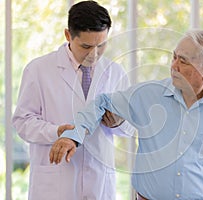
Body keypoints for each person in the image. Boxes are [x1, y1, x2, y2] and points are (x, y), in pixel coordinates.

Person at [49, 29, 203, 200]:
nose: (173, 66)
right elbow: (102, 102)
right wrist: (73, 135)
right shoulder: (148, 95)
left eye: (184, 61)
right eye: (174, 57)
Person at [12, 1, 135, 200]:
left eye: (101, 45)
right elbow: (22, 122)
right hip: (56, 183)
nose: (94, 54)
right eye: (86, 46)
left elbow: (131, 126)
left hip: (99, 181)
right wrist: (57, 131)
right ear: (68, 35)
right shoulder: (38, 70)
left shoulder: (115, 72)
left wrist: (119, 122)